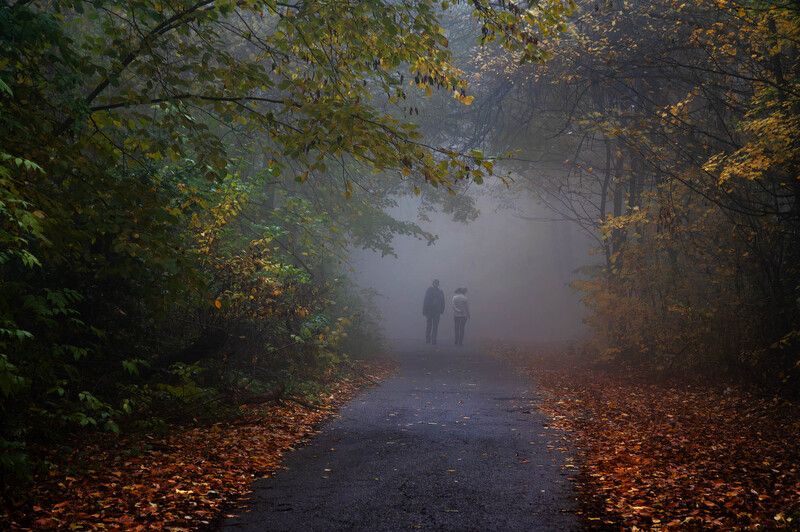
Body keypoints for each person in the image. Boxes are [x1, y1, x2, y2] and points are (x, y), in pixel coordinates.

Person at [422, 279, 445, 344]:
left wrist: (424, 311)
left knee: (432, 325)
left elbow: (426, 300)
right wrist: (442, 310)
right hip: (434, 311)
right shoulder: (439, 292)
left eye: (436, 283)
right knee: (432, 325)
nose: (436, 284)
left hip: (432, 311)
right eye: (436, 283)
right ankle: (431, 339)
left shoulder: (430, 290)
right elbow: (443, 302)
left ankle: (431, 339)